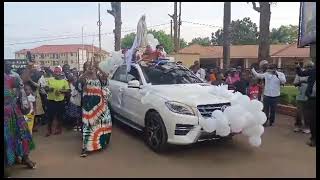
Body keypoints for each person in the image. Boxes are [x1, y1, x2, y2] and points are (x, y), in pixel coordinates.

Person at [4, 62, 36, 170]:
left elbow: (22, 80)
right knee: (7, 138)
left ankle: (25, 157)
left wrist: (28, 68)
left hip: (14, 111)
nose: (8, 67)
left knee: (23, 133)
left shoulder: (8, 78)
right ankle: (9, 162)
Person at [77, 60, 112, 157]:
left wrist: (99, 68)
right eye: (88, 65)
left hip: (100, 105)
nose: (90, 67)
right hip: (88, 105)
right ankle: (85, 148)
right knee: (87, 125)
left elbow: (106, 77)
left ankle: (100, 144)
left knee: (100, 124)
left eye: (92, 65)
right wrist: (86, 72)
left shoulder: (98, 75)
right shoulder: (83, 76)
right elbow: (79, 82)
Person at [45, 66, 71, 136]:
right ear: (53, 73)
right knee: (50, 116)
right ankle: (49, 130)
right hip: (51, 100)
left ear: (61, 72)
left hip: (60, 101)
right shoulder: (50, 80)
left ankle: (58, 129)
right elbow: (46, 88)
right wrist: (49, 89)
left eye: (58, 71)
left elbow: (68, 90)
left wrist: (62, 91)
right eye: (55, 71)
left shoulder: (64, 81)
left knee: (60, 116)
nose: (57, 73)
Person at [296, 61, 316, 147]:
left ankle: (313, 140)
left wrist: (297, 67)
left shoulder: (313, 71)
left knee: (312, 119)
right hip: (312, 98)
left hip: (312, 99)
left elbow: (300, 73)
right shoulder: (313, 71)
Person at [293, 63, 311, 134]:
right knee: (298, 113)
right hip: (300, 96)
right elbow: (295, 83)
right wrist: (300, 82)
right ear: (304, 67)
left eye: (310, 67)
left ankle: (307, 127)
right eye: (307, 67)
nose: (308, 69)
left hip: (310, 97)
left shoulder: (313, 73)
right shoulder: (300, 74)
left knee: (308, 113)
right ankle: (298, 125)